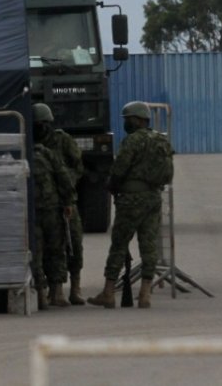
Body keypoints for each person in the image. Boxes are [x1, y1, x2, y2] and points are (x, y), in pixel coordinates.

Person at [87, 101, 174, 310]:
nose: (126, 123)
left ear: (139, 120)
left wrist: (111, 186)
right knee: (149, 245)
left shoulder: (132, 141)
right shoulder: (161, 141)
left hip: (131, 199)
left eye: (128, 119)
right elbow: (168, 173)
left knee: (119, 244)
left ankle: (108, 292)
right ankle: (145, 295)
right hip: (153, 198)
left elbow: (119, 169)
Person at [32, 103, 85, 305]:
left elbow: (77, 166)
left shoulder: (62, 140)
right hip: (44, 205)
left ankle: (75, 288)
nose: (41, 127)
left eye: (43, 123)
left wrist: (65, 187)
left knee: (74, 246)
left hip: (65, 200)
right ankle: (53, 291)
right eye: (37, 123)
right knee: (47, 249)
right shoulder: (30, 141)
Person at [30, 138, 75, 310]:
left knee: (36, 252)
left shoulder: (22, 151)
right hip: (52, 210)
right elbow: (63, 177)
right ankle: (57, 293)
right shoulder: (49, 154)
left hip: (32, 210)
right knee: (56, 250)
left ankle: (41, 294)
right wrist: (68, 202)